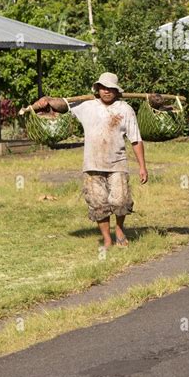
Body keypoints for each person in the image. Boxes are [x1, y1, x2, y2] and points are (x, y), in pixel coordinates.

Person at [32, 72, 148, 249]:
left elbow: (136, 139)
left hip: (117, 163)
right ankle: (107, 239)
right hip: (92, 164)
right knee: (98, 203)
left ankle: (119, 231)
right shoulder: (86, 106)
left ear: (116, 91)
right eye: (103, 88)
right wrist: (47, 100)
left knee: (121, 200)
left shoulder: (125, 109)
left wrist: (142, 166)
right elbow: (63, 106)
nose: (106, 91)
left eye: (110, 88)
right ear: (97, 89)